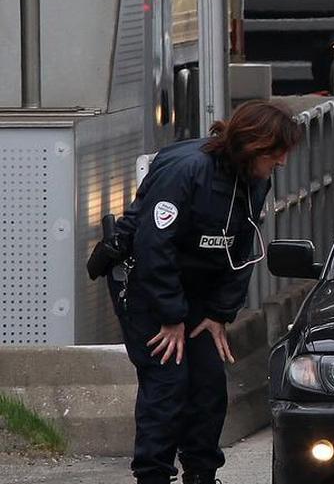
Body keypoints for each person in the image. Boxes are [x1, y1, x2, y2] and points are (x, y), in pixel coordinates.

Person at [108, 100, 301, 484]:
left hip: (197, 291)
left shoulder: (255, 179)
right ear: (253, 146)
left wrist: (218, 313)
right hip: (149, 285)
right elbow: (152, 246)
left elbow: (241, 246)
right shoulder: (186, 171)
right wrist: (171, 316)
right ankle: (153, 475)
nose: (281, 163)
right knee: (167, 383)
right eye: (276, 154)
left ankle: (202, 473)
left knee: (209, 383)